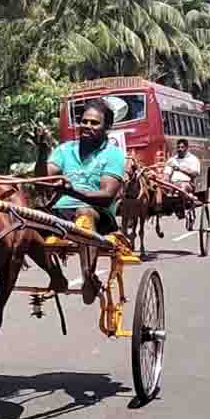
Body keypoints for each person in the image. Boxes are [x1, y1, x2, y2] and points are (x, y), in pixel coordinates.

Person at [43, 98, 126, 304]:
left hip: (98, 214)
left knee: (84, 213)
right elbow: (44, 179)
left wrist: (74, 192)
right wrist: (41, 151)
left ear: (107, 127)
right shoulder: (64, 150)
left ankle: (88, 277)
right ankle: (54, 274)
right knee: (23, 219)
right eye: (84, 121)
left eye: (94, 123)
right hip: (61, 213)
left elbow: (107, 196)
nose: (87, 126)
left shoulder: (113, 154)